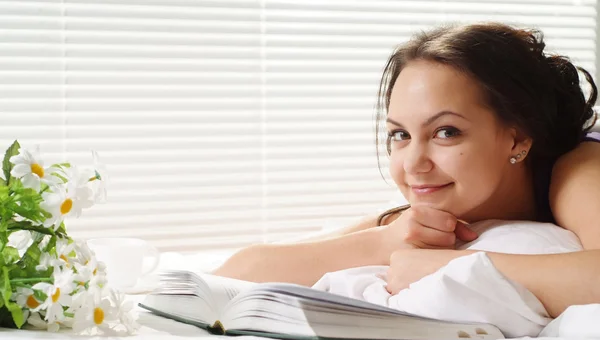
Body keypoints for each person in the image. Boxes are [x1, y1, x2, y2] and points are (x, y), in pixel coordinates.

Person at [213, 22, 600, 318]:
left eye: (446, 132)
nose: (414, 163)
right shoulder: (432, 209)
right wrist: (381, 242)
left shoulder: (578, 168)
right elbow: (233, 274)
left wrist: (451, 267)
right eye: (400, 134)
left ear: (518, 140)